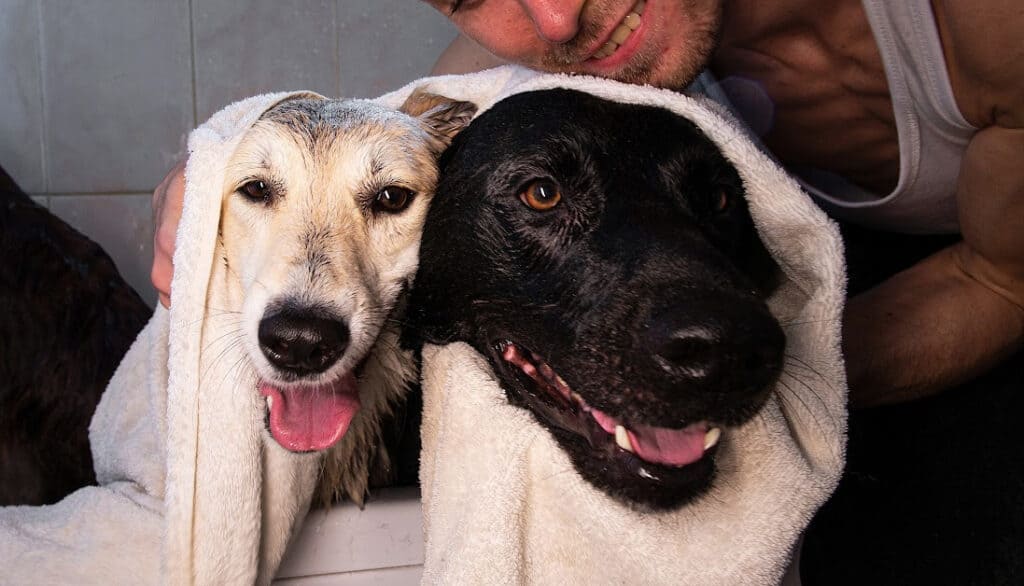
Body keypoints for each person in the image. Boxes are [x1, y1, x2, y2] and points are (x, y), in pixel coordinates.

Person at [150, 1, 1021, 581]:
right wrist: (192, 186)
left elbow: (999, 281)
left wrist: (741, 390)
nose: (556, 14)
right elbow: (379, 128)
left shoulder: (991, 28)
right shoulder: (550, 34)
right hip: (692, 256)